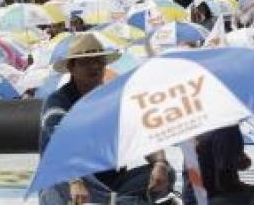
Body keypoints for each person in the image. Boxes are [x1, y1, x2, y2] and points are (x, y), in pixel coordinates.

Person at [39, 34, 173, 204]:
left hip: (112, 184)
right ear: (72, 68)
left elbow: (143, 135)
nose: (95, 66)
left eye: (99, 61)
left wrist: (160, 163)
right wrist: (76, 181)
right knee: (56, 182)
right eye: (86, 62)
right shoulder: (58, 102)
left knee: (165, 174)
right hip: (72, 180)